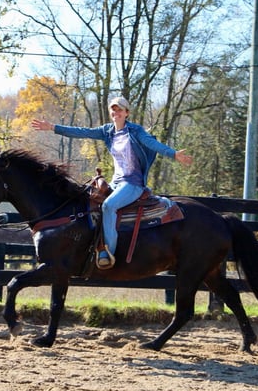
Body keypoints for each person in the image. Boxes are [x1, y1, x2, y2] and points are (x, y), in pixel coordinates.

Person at [31, 96, 192, 269]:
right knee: (88, 200)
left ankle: (107, 252)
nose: (116, 113)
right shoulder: (107, 131)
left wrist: (173, 154)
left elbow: (152, 144)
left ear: (127, 113)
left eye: (120, 110)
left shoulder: (135, 131)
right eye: (113, 110)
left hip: (133, 183)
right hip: (116, 182)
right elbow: (81, 131)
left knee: (108, 206)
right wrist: (53, 127)